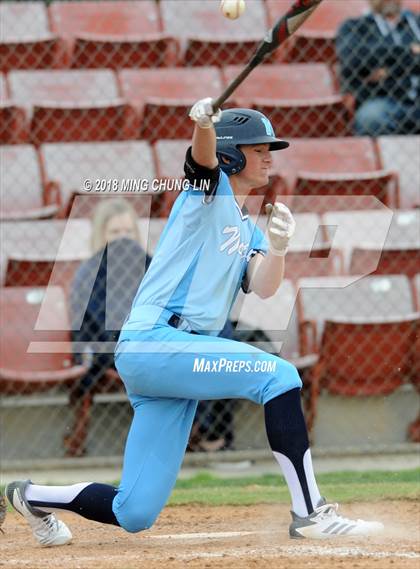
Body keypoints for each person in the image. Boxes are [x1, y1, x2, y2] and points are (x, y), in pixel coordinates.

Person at [6, 101, 384, 545]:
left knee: (135, 511)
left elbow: (263, 286)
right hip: (156, 340)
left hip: (174, 360)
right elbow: (201, 162)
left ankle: (30, 496)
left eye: (268, 150)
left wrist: (280, 248)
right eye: (257, 148)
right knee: (278, 376)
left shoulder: (248, 227)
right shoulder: (208, 193)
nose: (268, 157)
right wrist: (203, 126)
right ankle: (310, 513)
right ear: (231, 154)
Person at [65, 198, 151, 457]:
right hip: (106, 348)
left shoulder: (149, 265)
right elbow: (97, 326)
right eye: (115, 232)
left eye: (128, 232)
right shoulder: (90, 271)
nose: (122, 239)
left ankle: (207, 437)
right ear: (101, 236)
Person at [336, 0, 420, 136]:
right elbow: (353, 61)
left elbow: (367, 58)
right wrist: (409, 50)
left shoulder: (416, 23)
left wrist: (388, 71)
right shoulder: (354, 27)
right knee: (372, 118)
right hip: (382, 102)